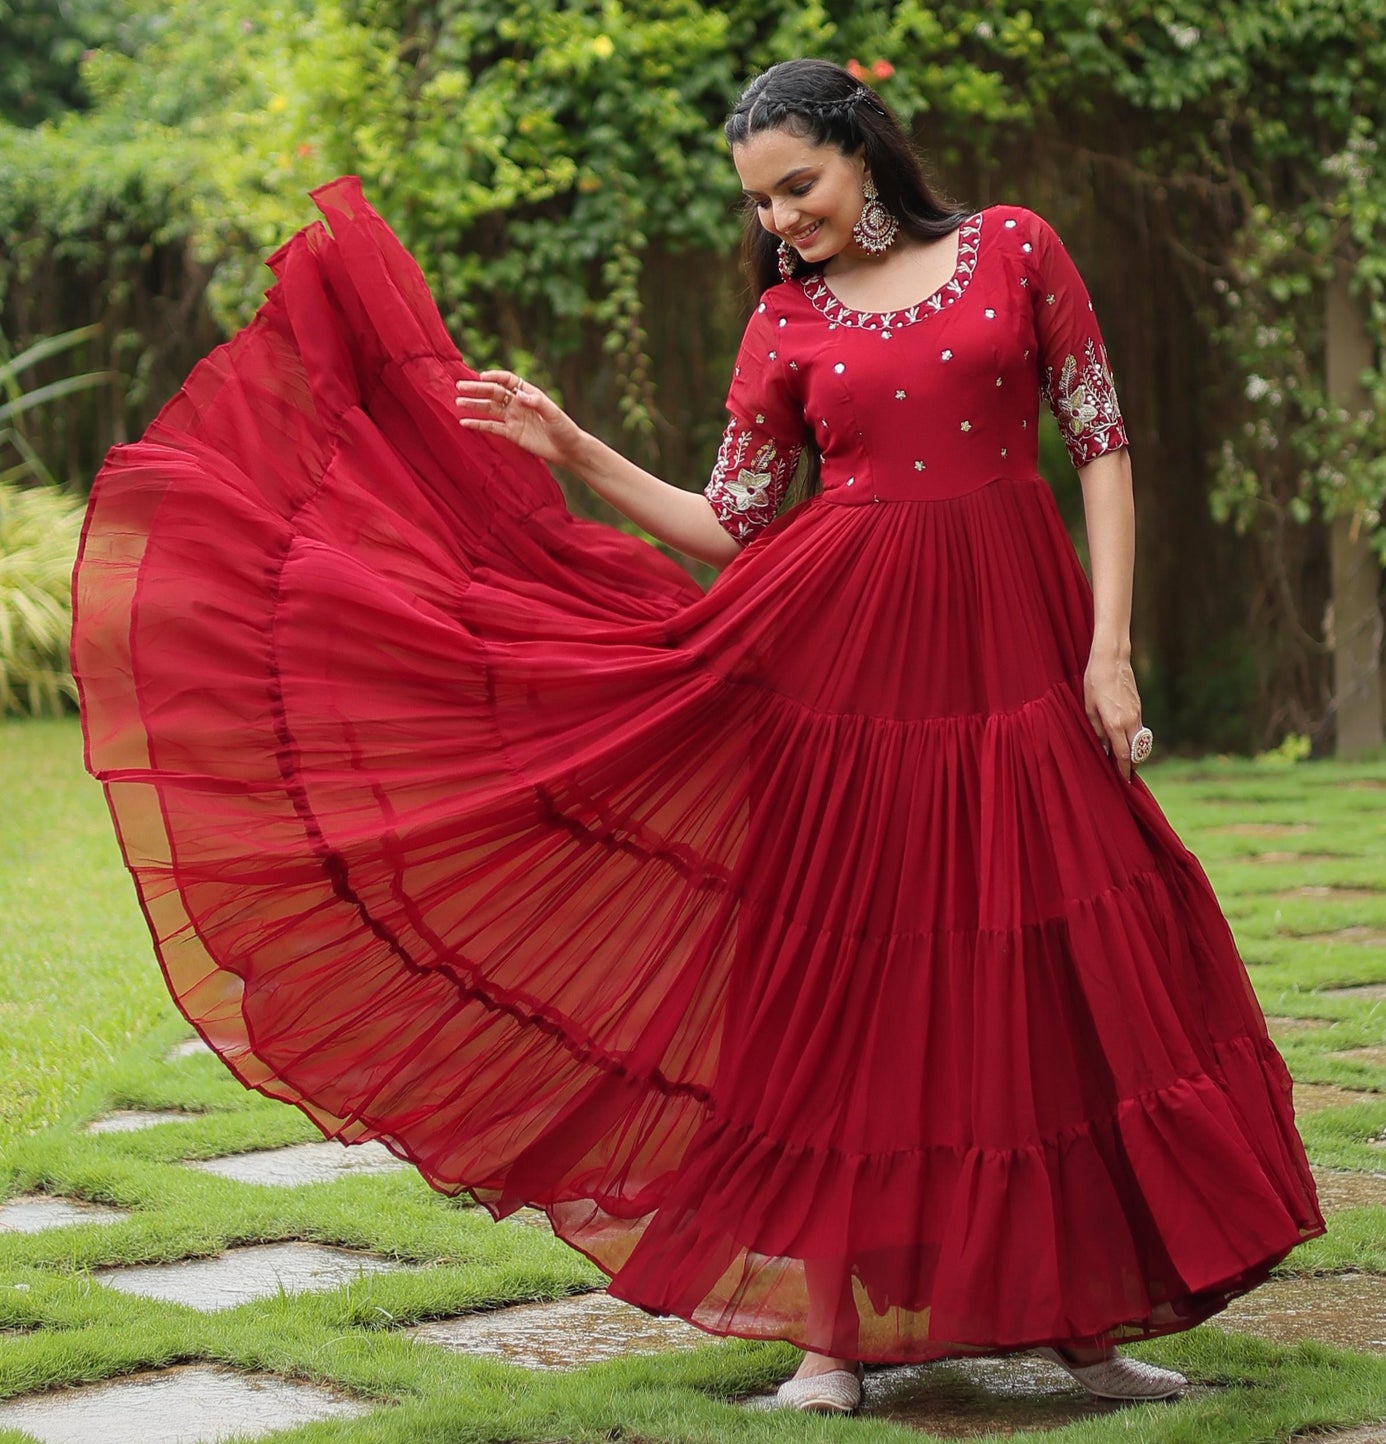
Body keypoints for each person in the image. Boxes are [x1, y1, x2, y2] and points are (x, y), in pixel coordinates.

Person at [73, 57, 1323, 1421]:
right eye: (761, 201)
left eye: (800, 185)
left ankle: (1084, 1323)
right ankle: (830, 1347)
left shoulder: (1011, 247)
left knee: (1061, 958)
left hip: (1020, 661)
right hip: (838, 677)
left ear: (861, 152)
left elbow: (1096, 439)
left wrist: (1110, 650)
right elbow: (732, 522)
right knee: (850, 993)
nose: (781, 217)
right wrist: (569, 446)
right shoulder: (782, 326)